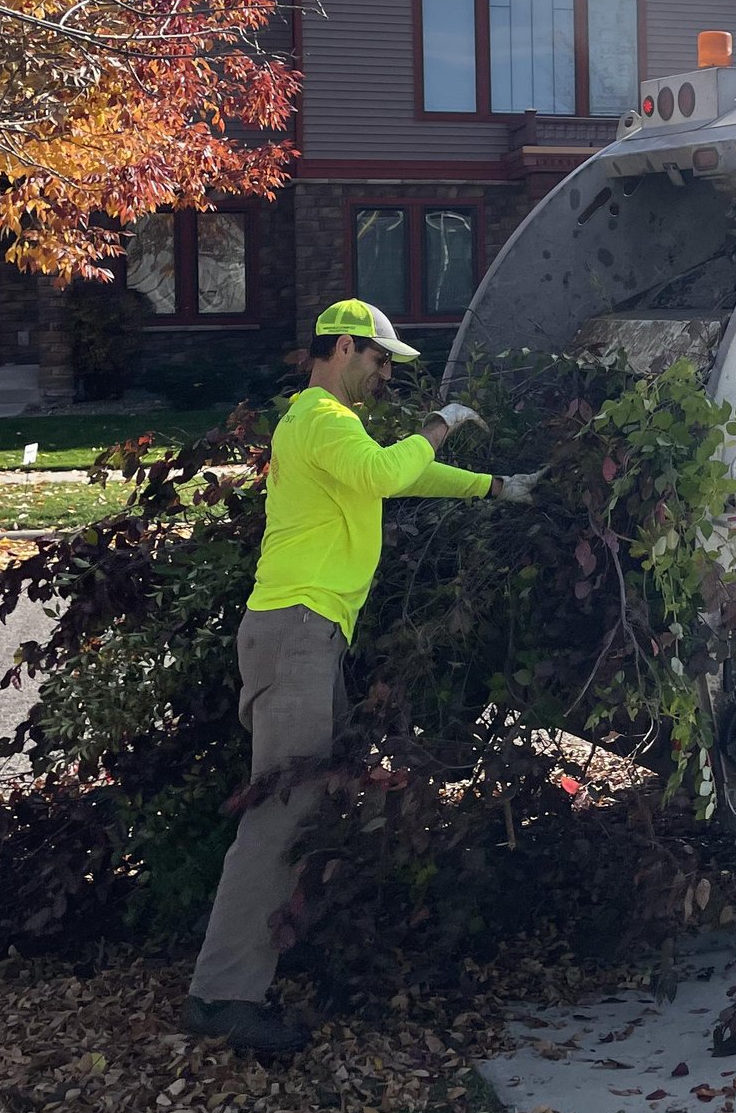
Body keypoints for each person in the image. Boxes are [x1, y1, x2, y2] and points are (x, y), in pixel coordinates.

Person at [182, 298, 539, 1054]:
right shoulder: (321, 419)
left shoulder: (322, 428)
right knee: (281, 809)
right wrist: (442, 418)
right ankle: (222, 993)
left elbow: (398, 478)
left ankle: (291, 950)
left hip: (306, 635)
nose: (384, 373)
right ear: (342, 346)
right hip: (298, 632)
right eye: (379, 359)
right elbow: (387, 471)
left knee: (329, 792)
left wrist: (496, 487)